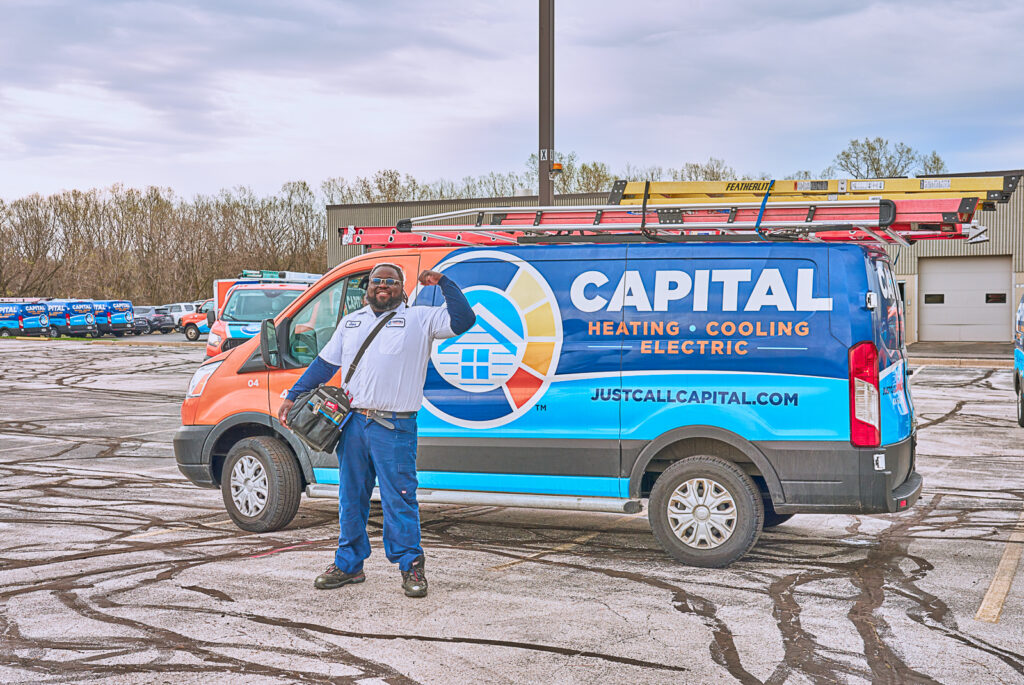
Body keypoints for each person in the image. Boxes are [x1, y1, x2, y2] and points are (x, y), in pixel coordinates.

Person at [278, 263, 475, 597]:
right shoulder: (351, 322)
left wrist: (443, 282)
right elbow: (325, 365)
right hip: (352, 423)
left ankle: (411, 566)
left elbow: (464, 319)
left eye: (391, 281)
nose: (383, 286)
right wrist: (293, 396)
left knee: (399, 498)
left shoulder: (421, 319)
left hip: (395, 425)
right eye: (377, 281)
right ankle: (348, 565)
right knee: (350, 497)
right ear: (367, 287)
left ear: (402, 287)